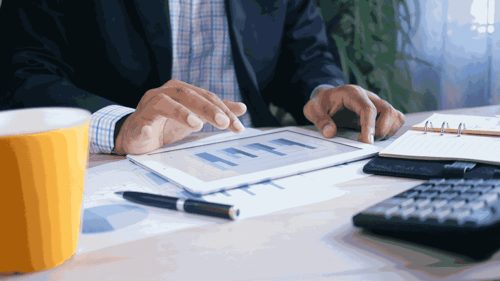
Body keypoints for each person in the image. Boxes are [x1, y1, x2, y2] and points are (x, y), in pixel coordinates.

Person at [0, 0, 404, 155]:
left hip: (257, 157)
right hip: (118, 164)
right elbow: (23, 73)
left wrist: (325, 93)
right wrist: (121, 126)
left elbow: (306, 54)